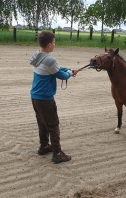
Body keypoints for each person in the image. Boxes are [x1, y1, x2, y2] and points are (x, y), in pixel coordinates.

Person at [30, 31, 78, 164]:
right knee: (53, 125)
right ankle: (57, 153)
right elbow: (61, 75)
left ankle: (44, 146)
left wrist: (67, 68)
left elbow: (55, 69)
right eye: (54, 42)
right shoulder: (50, 60)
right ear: (50, 44)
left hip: (35, 96)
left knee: (42, 123)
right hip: (45, 98)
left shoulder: (37, 56)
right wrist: (70, 73)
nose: (55, 45)